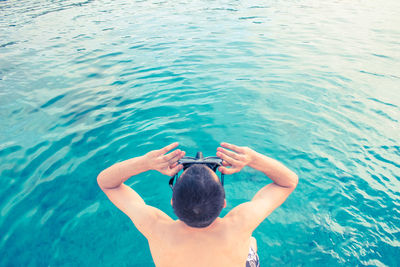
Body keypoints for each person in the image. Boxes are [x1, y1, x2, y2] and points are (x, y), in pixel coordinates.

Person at [97, 142, 298, 267]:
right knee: (251, 242)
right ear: (224, 202)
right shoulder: (240, 223)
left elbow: (108, 184)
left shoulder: (156, 227)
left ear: (172, 201)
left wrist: (145, 162)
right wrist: (253, 158)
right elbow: (287, 182)